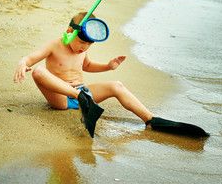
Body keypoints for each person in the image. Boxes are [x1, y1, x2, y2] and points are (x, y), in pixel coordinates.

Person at [13, 12, 156, 129]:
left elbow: (87, 66)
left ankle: (150, 119)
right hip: (61, 98)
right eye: (82, 42)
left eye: (89, 44)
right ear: (69, 32)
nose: (85, 47)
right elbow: (30, 58)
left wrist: (108, 66)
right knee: (38, 71)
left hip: (83, 93)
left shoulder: (82, 50)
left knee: (116, 85)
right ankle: (78, 96)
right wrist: (22, 62)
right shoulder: (54, 46)